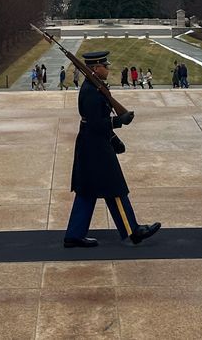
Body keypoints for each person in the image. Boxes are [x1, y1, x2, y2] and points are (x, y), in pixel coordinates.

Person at [63, 50, 161, 249]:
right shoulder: (91, 91)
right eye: (105, 66)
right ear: (95, 68)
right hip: (95, 148)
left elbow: (96, 123)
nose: (108, 69)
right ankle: (133, 231)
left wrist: (113, 138)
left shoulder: (94, 87)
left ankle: (74, 234)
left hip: (93, 145)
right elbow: (93, 123)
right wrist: (118, 121)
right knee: (114, 188)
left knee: (87, 190)